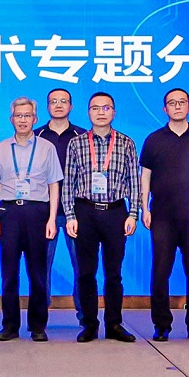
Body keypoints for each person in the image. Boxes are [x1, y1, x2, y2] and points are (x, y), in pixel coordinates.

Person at [63, 92, 141, 343]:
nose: (100, 112)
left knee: (114, 273)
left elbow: (135, 181)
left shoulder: (126, 143)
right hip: (84, 211)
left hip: (116, 212)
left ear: (114, 112)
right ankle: (89, 324)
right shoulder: (76, 143)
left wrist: (133, 213)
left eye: (106, 108)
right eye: (95, 108)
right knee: (86, 273)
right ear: (88, 112)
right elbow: (68, 182)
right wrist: (70, 215)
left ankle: (114, 324)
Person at [141, 87, 189, 343]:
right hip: (162, 217)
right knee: (160, 272)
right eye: (172, 103)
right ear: (165, 109)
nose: (177, 106)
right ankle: (161, 325)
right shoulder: (154, 139)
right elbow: (145, 176)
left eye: (182, 102)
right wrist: (144, 208)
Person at [0, 98, 63, 342]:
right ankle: (9, 326)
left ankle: (38, 326)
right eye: (18, 116)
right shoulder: (0, 149)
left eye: (27, 116)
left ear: (35, 119)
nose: (23, 120)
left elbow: (54, 185)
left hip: (38, 212)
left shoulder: (47, 148)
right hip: (9, 213)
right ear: (11, 119)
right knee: (9, 273)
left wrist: (52, 219)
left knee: (38, 272)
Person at [34, 88, 87, 327]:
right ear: (47, 107)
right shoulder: (36, 135)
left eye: (63, 101)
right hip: (44, 211)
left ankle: (85, 317)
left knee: (83, 266)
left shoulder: (82, 136)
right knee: (41, 266)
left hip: (77, 211)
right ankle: (39, 318)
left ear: (71, 106)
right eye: (53, 101)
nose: (58, 105)